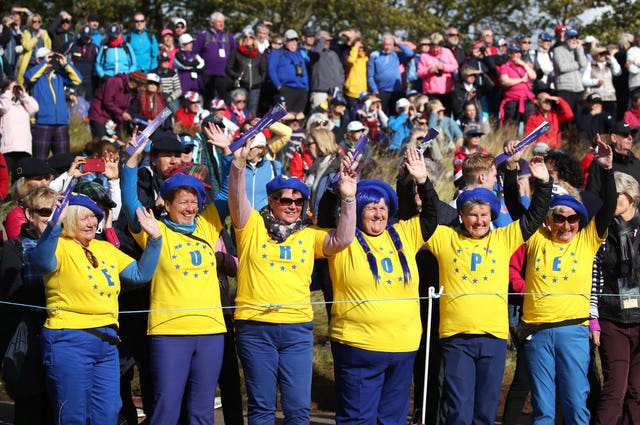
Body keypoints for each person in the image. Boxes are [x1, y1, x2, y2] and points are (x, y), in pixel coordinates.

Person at [218, 122, 357, 425]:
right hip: (255, 327)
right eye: (285, 199)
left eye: (298, 201)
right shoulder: (250, 224)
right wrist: (238, 162)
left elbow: (343, 239)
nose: (293, 206)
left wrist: (348, 198)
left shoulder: (308, 234)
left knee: (297, 409)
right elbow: (236, 198)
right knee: (262, 407)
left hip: (296, 329)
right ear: (271, 201)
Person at [426, 143, 552, 425]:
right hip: (456, 337)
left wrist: (543, 183)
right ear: (462, 215)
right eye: (473, 214)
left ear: (492, 216)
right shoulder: (445, 238)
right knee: (457, 410)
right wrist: (421, 180)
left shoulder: (502, 238)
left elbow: (533, 217)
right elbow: (428, 213)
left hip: (493, 338)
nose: (479, 220)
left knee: (484, 412)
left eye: (484, 215)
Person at [29, 193, 162, 425]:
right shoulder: (58, 246)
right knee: (73, 415)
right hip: (68, 340)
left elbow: (141, 274)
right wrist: (53, 226)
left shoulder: (105, 249)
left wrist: (155, 240)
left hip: (107, 342)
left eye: (94, 217)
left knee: (108, 412)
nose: (92, 222)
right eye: (84, 218)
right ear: (68, 219)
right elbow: (41, 261)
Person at [328, 148, 439, 424]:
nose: (378, 214)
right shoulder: (343, 239)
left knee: (393, 419)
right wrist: (343, 192)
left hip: (403, 346)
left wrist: (423, 181)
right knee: (358, 419)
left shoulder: (403, 233)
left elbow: (430, 218)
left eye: (382, 207)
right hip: (359, 346)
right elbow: (326, 216)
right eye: (371, 208)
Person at [509, 137, 615, 425]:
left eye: (572, 219)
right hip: (536, 333)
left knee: (575, 404)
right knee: (543, 408)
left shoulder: (587, 240)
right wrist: (511, 168)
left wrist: (605, 169)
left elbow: (606, 208)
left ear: (580, 221)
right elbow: (515, 206)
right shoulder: (536, 237)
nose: (566, 225)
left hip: (573, 332)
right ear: (548, 219)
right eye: (559, 218)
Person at [122, 132, 227, 425]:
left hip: (211, 332)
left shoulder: (207, 226)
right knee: (166, 409)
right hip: (169, 333)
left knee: (202, 411)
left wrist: (230, 155)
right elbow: (131, 201)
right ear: (166, 204)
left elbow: (228, 193)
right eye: (182, 201)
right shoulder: (154, 229)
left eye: (194, 201)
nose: (190, 207)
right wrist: (130, 163)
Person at [0, 186, 57, 424]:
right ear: (28, 214)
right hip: (30, 332)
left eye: (55, 211)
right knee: (31, 404)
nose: (50, 217)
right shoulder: (15, 247)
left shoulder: (68, 243)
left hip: (62, 332)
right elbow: (10, 295)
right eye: (44, 212)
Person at [194, 12, 235, 105]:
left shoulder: (228, 36)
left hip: (224, 75)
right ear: (212, 23)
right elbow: (195, 52)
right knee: (209, 101)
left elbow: (234, 52)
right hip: (208, 75)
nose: (222, 24)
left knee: (225, 101)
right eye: (219, 22)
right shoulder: (203, 35)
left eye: (223, 22)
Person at [0, 77, 39, 176]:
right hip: (8, 148)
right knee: (5, 176)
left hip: (24, 148)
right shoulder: (3, 102)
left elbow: (34, 108)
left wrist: (23, 94)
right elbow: (3, 107)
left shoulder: (24, 104)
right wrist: (8, 92)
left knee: (20, 177)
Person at [367, 33, 414, 114]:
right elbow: (370, 76)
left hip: (396, 91)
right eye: (385, 44)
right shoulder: (375, 56)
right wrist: (375, 90)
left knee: (396, 114)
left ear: (393, 45)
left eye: (389, 45)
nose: (387, 47)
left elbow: (410, 53)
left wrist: (398, 43)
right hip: (381, 91)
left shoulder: (397, 55)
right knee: (382, 115)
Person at [225, 26, 267, 117]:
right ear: (242, 39)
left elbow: (263, 70)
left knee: (252, 111)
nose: (248, 39)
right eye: (246, 37)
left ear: (254, 39)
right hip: (241, 86)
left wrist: (260, 80)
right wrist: (237, 76)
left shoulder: (258, 54)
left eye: (251, 37)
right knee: (240, 110)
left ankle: (252, 130)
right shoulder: (236, 52)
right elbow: (229, 67)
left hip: (255, 88)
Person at [267, 29, 309, 114]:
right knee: (280, 115)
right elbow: (271, 70)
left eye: (295, 40)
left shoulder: (299, 55)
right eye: (291, 40)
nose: (294, 43)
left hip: (301, 90)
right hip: (286, 88)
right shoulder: (277, 54)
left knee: (297, 117)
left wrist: (306, 87)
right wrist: (278, 85)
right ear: (285, 41)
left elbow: (305, 72)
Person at [417, 32, 458, 113]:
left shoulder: (447, 52)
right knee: (433, 113)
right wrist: (429, 70)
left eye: (437, 47)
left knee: (446, 113)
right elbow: (419, 73)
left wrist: (443, 67)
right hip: (431, 92)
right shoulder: (424, 56)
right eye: (433, 47)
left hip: (446, 91)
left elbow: (455, 65)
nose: (435, 49)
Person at [498, 44, 537, 126]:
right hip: (512, 100)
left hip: (527, 99)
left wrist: (523, 64)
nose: (518, 54)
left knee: (530, 123)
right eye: (515, 52)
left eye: (519, 52)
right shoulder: (505, 66)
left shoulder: (524, 66)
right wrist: (521, 80)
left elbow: (533, 76)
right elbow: (505, 81)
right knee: (512, 124)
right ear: (509, 54)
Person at [552, 28, 587, 112]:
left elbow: (584, 64)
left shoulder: (578, 50)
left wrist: (579, 49)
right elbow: (562, 68)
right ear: (566, 38)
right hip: (565, 89)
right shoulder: (558, 50)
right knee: (566, 115)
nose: (574, 40)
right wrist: (577, 64)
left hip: (578, 88)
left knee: (578, 118)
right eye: (571, 37)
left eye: (576, 37)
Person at [16, 13, 51, 85]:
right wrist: (36, 37)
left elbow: (48, 49)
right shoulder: (26, 33)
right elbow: (27, 46)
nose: (37, 23)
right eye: (34, 21)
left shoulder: (44, 33)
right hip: (29, 64)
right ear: (30, 22)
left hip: (41, 64)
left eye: (39, 21)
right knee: (26, 83)